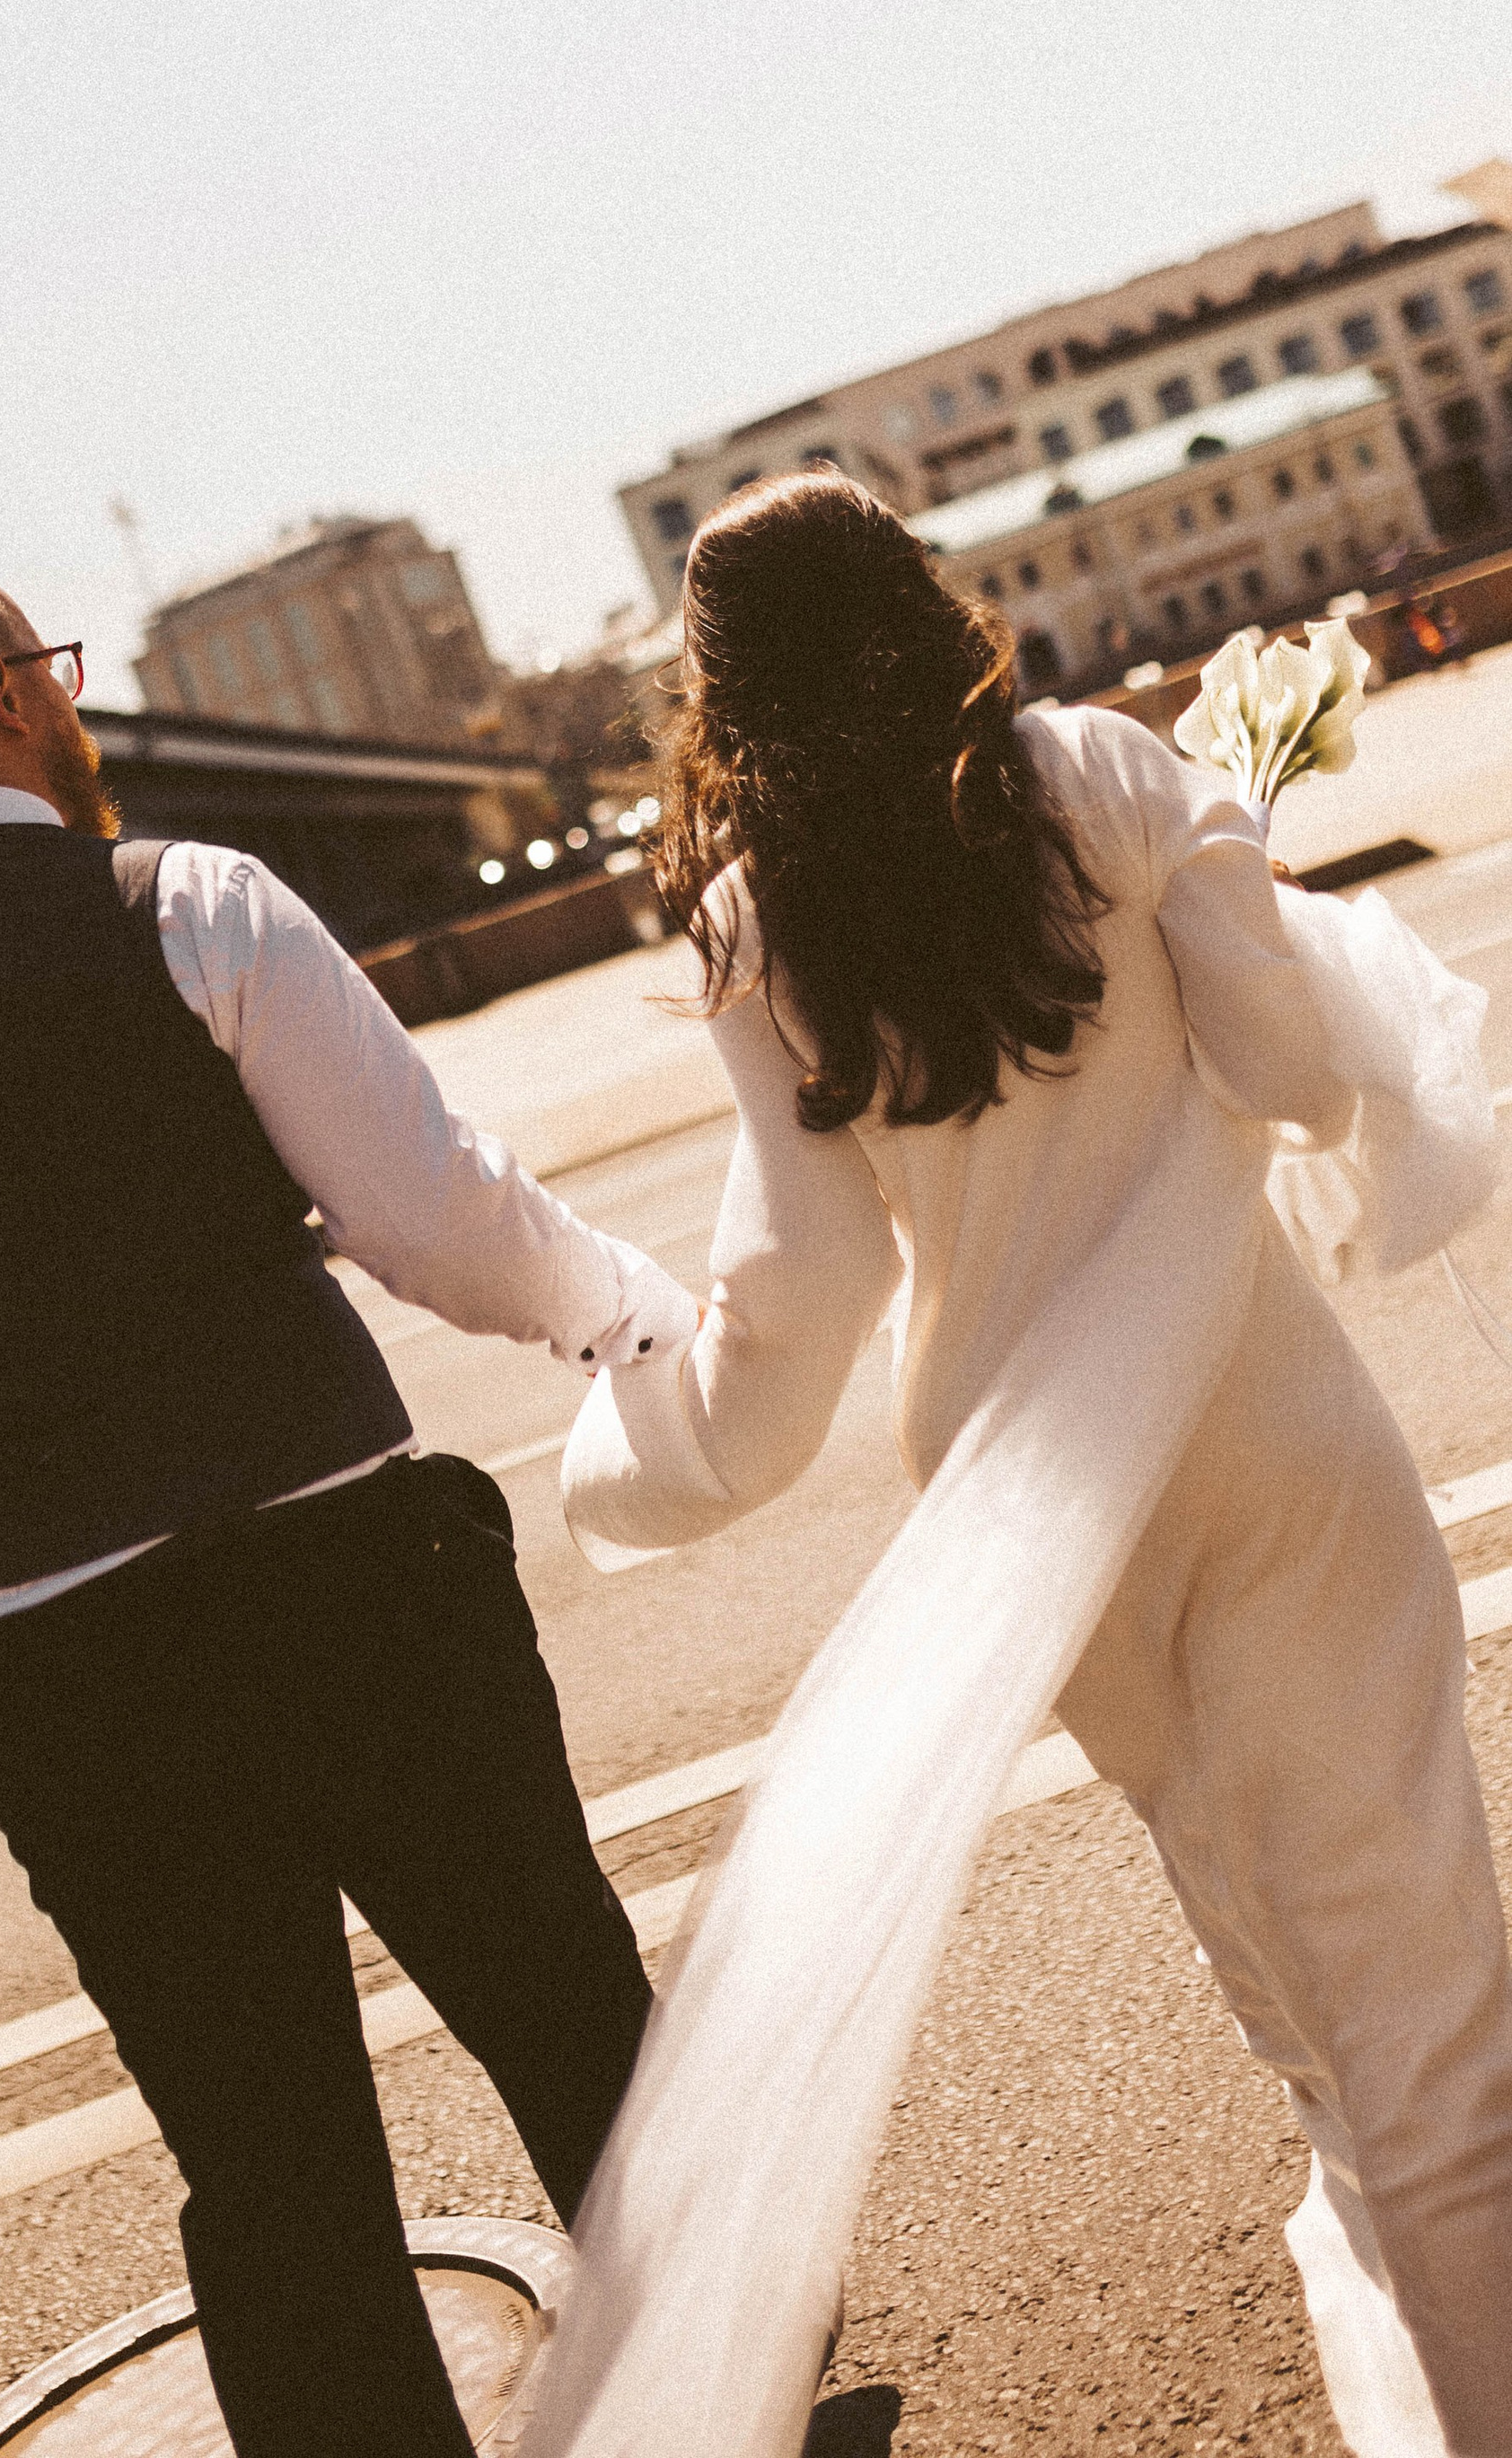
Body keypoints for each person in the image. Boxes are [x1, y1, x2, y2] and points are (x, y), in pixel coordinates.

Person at [532, 475, 1510, 2458]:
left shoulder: (752, 919)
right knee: (1422, 2019)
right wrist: (1224, 836)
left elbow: (794, 1301)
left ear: (721, 693)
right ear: (922, 598)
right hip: (1254, 1433)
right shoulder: (1096, 772)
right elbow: (1292, 1083)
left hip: (1021, 1506)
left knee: (1289, 1996)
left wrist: (617, 1456)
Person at [0, 562, 699, 2458]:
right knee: (568, 2021)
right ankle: (719, 2403)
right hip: (350, 1581)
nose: (68, 710)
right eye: (53, 677)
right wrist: (627, 1319)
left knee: (265, 2165)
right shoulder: (188, 905)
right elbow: (436, 1217)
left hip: (76, 1677)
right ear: (4, 696)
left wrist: (11, 1579)